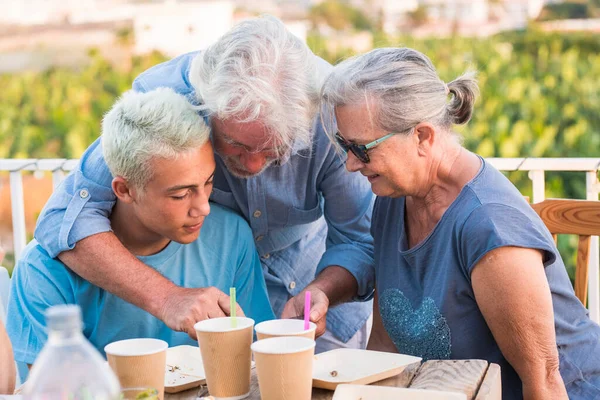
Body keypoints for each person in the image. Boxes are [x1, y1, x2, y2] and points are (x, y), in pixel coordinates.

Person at [33, 15, 374, 353]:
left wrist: (322, 291)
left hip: (319, 296)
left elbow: (360, 240)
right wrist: (167, 298)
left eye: (273, 150)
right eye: (236, 145)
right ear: (206, 108)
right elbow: (66, 218)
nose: (253, 164)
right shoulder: (166, 102)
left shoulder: (330, 113)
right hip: (212, 301)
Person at [316, 47, 600, 399]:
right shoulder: (393, 199)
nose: (349, 165)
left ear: (422, 136)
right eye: (345, 145)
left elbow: (544, 382)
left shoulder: (491, 227)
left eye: (362, 149)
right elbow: (384, 350)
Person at [7, 88, 275, 363]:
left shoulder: (232, 236)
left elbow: (253, 359)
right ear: (124, 190)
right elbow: (45, 388)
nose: (203, 207)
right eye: (180, 194)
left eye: (208, 182)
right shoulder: (42, 271)